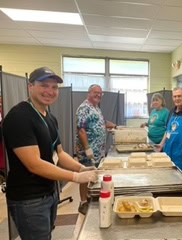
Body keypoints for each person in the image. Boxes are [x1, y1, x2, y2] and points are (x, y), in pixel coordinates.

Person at [2, 67, 98, 240]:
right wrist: (75, 177)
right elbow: (34, 164)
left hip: (50, 193)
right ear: (30, 86)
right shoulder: (19, 117)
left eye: (54, 87)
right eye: (44, 85)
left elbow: (59, 153)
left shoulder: (49, 117)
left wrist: (81, 168)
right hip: (30, 199)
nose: (50, 91)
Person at [75, 84, 117, 214]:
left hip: (98, 151)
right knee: (85, 176)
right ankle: (82, 202)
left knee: (94, 174)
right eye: (95, 92)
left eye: (100, 93)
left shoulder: (96, 108)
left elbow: (103, 123)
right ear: (89, 93)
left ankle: (89, 195)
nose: (98, 95)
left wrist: (115, 126)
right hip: (88, 151)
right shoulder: (84, 108)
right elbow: (81, 129)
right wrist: (87, 148)